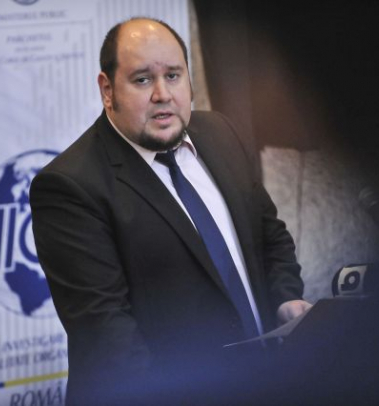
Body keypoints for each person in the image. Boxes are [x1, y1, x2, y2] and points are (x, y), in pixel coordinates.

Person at [30, 17, 311, 405]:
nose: (162, 94)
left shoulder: (221, 134)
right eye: (143, 79)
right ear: (107, 90)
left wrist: (285, 298)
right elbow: (108, 336)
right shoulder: (70, 186)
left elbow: (269, 235)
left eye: (174, 76)